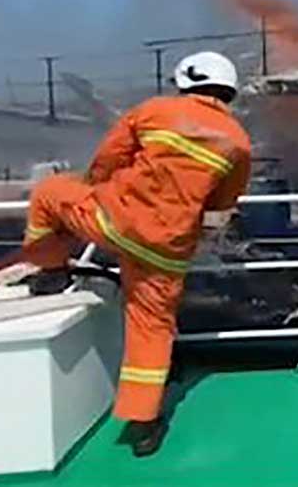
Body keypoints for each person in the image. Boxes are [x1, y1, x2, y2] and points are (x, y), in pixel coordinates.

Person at [21, 51, 252, 457]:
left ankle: (51, 270)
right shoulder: (238, 142)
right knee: (151, 326)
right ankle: (143, 424)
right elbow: (222, 200)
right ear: (228, 91)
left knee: (48, 193)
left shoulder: (155, 111)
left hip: (115, 223)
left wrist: (97, 191)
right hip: (167, 249)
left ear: (186, 82)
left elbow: (107, 161)